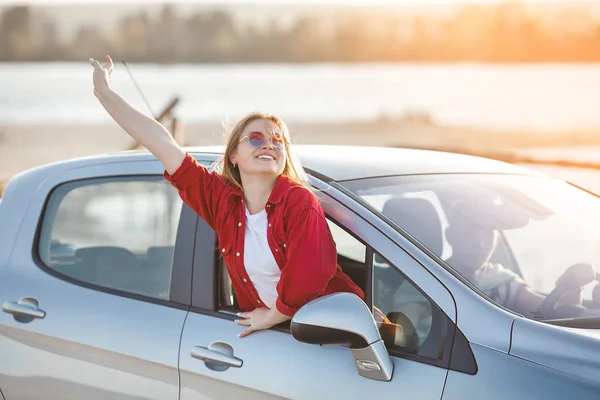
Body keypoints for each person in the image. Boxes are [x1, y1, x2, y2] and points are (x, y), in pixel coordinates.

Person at [89, 55, 365, 338]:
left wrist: (272, 316)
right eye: (256, 138)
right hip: (281, 340)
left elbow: (310, 274)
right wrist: (104, 93)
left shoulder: (299, 202)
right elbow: (160, 142)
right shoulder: (223, 203)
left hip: (341, 334)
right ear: (233, 155)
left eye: (278, 140)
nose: (269, 143)